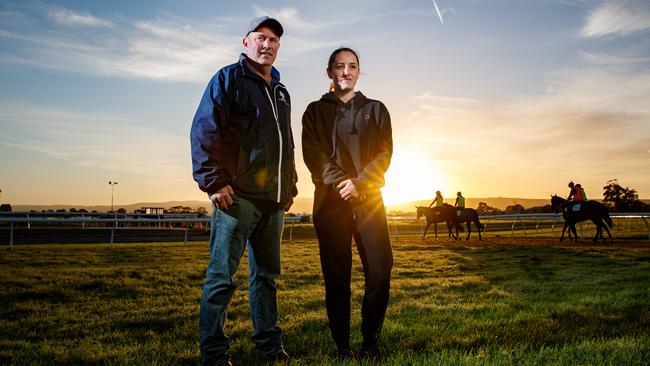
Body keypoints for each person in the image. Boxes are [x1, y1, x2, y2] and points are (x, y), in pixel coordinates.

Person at [190, 16, 297, 366]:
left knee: (265, 278)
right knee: (222, 277)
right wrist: (214, 181)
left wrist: (290, 185)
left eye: (275, 41)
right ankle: (214, 353)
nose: (268, 45)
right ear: (245, 42)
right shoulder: (228, 79)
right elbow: (205, 130)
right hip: (237, 197)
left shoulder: (281, 91)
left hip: (274, 201)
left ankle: (268, 344)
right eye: (261, 38)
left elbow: (286, 144)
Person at [302, 47, 393, 362]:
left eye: (352, 66)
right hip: (330, 203)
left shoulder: (377, 109)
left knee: (380, 273)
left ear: (358, 71)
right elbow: (313, 155)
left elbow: (384, 153)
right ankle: (342, 347)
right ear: (329, 72)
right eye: (339, 66)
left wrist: (361, 183)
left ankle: (371, 343)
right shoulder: (314, 111)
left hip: (370, 202)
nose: (346, 71)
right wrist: (343, 182)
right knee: (337, 278)